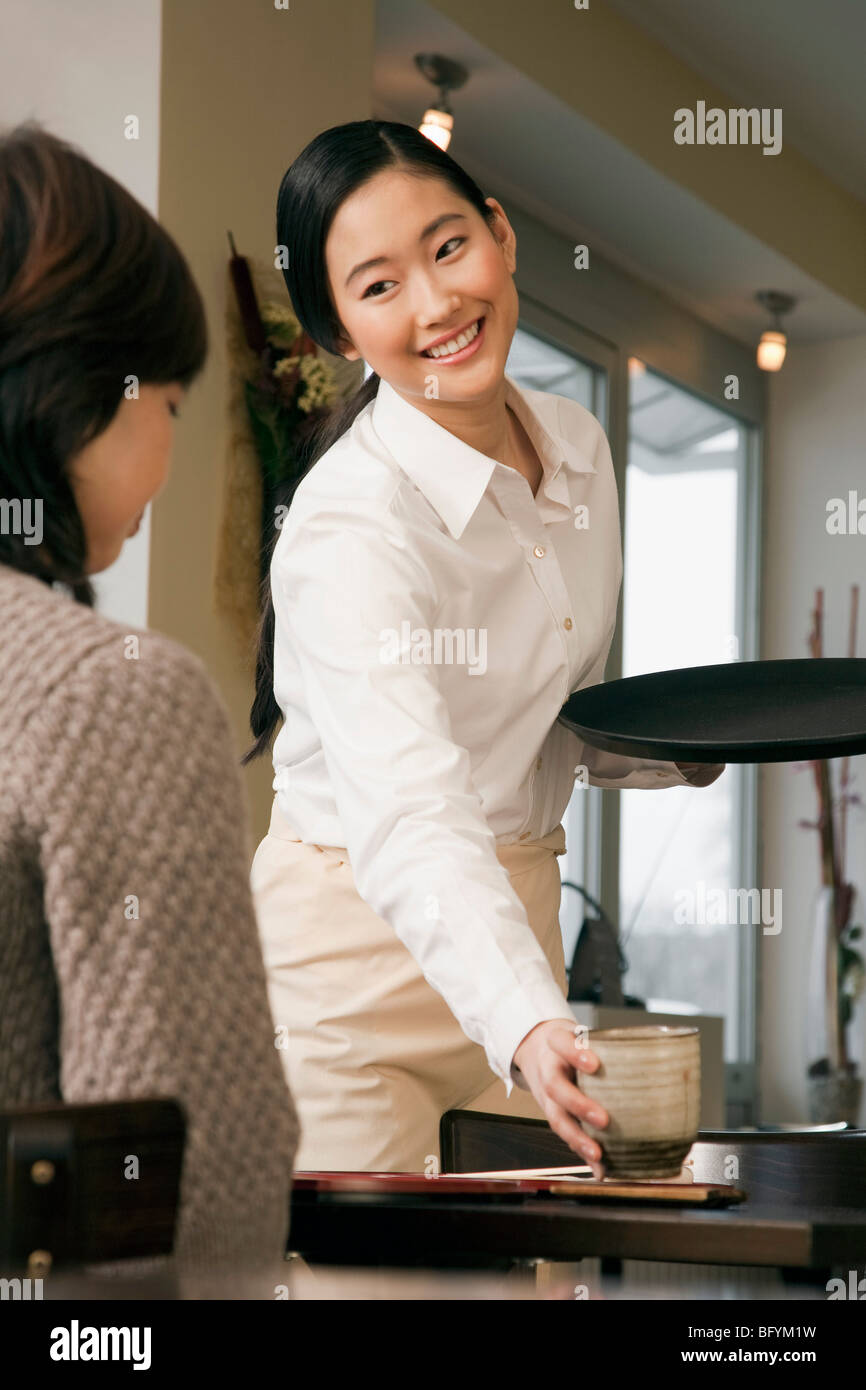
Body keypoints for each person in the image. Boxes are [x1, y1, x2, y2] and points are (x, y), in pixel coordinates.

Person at [247, 119, 724, 1175]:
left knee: (529, 1282)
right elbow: (412, 812)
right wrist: (521, 1019)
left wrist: (695, 742)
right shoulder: (351, 528)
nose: (434, 303)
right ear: (338, 336)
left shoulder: (579, 449)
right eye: (377, 287)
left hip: (519, 935)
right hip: (348, 980)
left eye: (448, 246)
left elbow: (545, 717)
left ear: (499, 237)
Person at [0, 122, 299, 1273]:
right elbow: (186, 1174)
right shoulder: (108, 697)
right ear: (72, 392)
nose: (171, 458)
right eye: (168, 404)